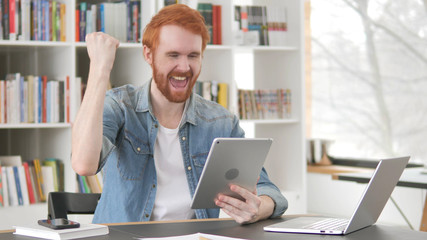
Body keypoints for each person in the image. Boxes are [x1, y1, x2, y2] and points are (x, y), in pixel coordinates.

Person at [71, 4, 287, 225]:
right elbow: (83, 164)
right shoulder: (119, 106)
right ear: (148, 54)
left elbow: (268, 190)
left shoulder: (220, 121)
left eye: (193, 55)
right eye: (173, 55)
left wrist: (258, 208)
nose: (184, 67)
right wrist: (100, 68)